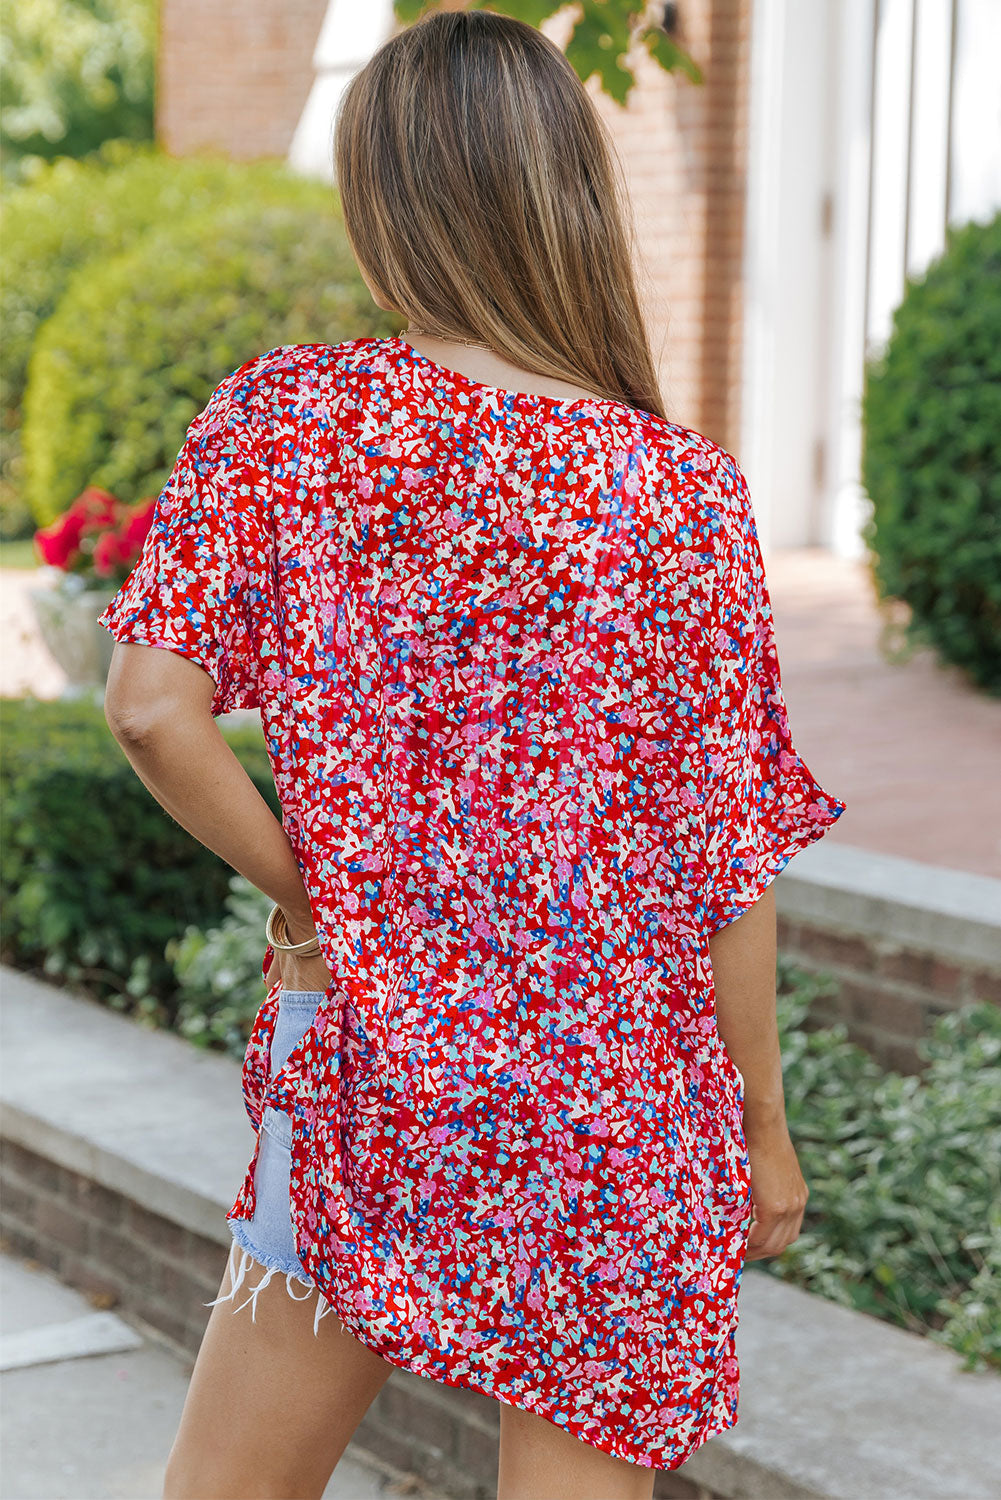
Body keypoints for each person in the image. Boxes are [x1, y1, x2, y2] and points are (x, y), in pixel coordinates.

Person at [98, 10, 846, 1500]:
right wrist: (763, 1129)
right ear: (565, 189)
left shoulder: (293, 420)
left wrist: (326, 899)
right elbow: (725, 861)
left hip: (373, 1067)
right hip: (614, 1106)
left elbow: (147, 708)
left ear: (383, 194)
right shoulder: (682, 492)